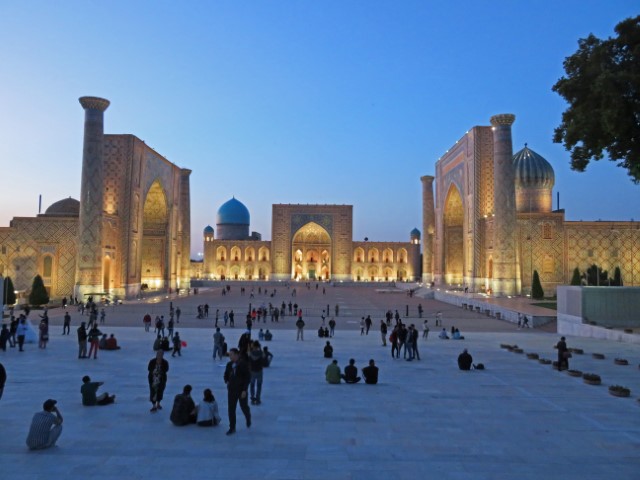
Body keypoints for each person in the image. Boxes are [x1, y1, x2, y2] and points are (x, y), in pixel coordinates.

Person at [223, 348, 251, 435]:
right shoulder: (229, 364)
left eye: (231, 354)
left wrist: (244, 390)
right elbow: (226, 375)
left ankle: (248, 417)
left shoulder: (243, 364)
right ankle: (232, 427)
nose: (229, 356)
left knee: (243, 406)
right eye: (229, 354)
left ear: (236, 355)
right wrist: (227, 380)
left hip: (241, 390)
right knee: (231, 409)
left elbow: (247, 378)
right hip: (231, 390)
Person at [248, 341, 264, 405]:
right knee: (259, 386)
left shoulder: (250, 353)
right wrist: (260, 348)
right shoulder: (261, 353)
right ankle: (258, 399)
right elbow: (264, 356)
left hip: (252, 371)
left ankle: (252, 398)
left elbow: (248, 356)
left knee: (252, 385)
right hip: (259, 371)